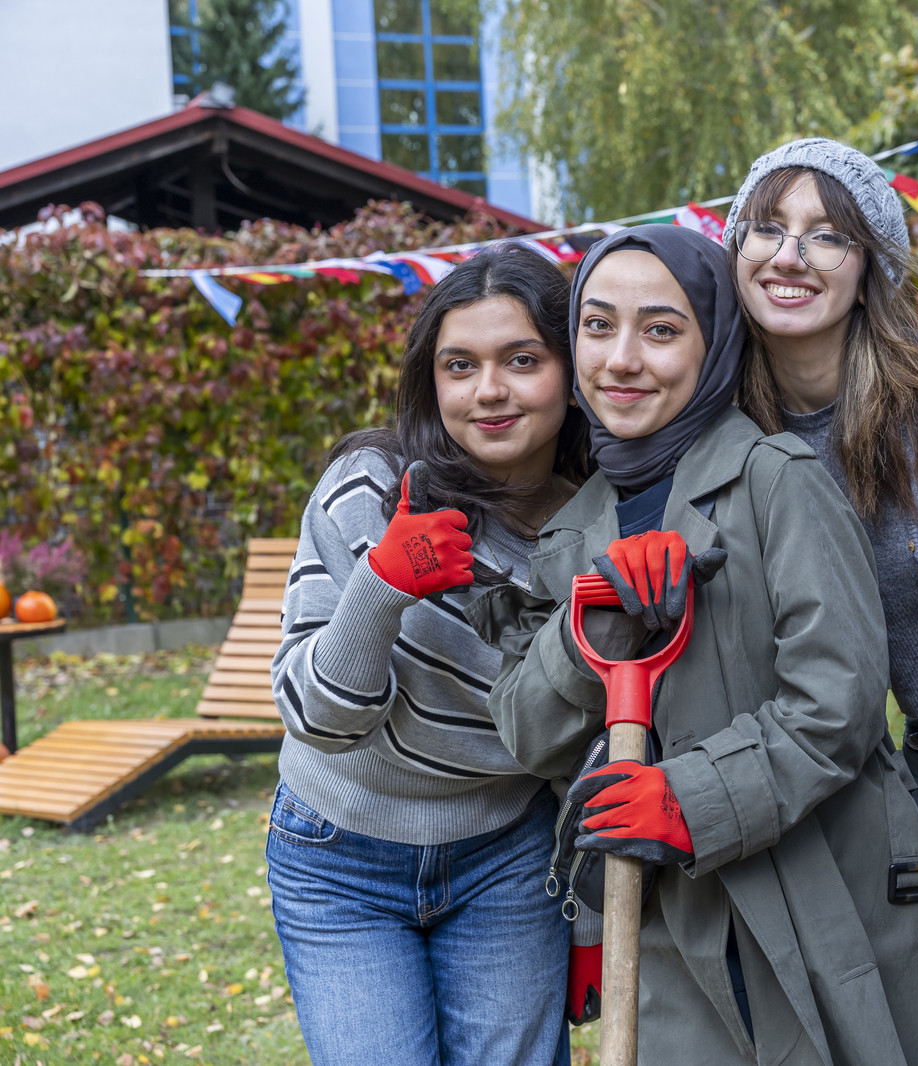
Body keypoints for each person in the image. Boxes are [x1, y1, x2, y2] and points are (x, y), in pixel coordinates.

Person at [468, 224, 918, 1066]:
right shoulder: (569, 538)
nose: (622, 359)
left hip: (833, 898)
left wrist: (687, 801)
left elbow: (839, 707)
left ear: (714, 345)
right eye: (597, 326)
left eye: (661, 330)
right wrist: (589, 626)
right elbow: (528, 732)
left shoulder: (778, 481)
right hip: (678, 934)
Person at [267, 244, 588, 1066]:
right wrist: (381, 585)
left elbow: (585, 742)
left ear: (572, 372)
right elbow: (317, 719)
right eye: (460, 365)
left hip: (507, 852)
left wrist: (587, 923)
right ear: (431, 380)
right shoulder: (370, 488)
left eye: (522, 360)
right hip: (337, 855)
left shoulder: (594, 530)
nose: (489, 390)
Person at [722, 138, 918, 833]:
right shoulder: (731, 434)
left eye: (828, 236)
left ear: (869, 272)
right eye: (767, 228)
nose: (789, 256)